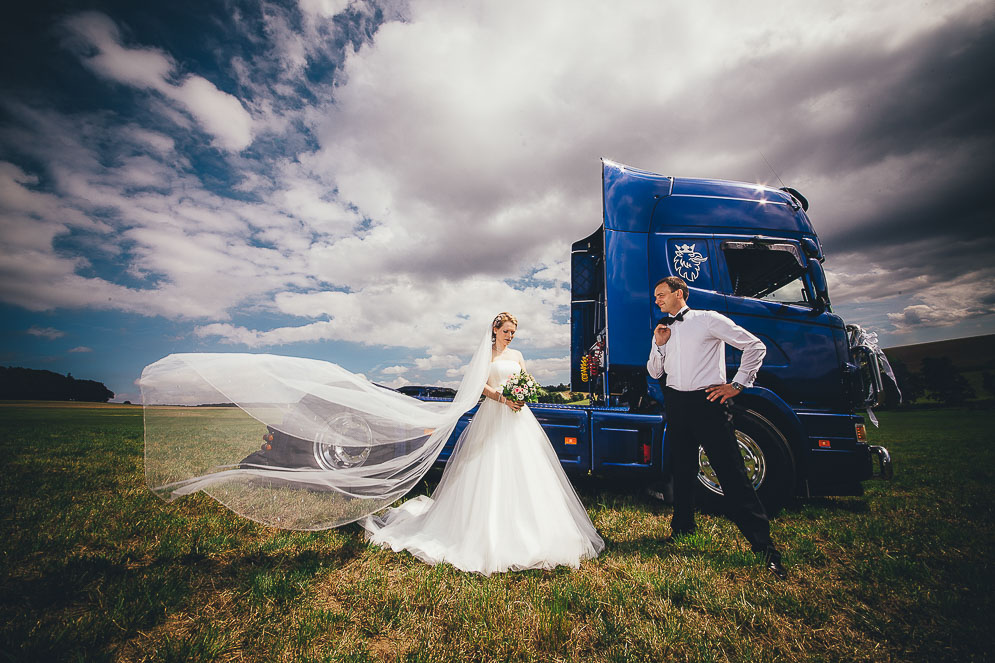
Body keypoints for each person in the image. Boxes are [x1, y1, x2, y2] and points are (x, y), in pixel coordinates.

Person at [361, 312, 605, 575]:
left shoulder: (517, 355)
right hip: (494, 414)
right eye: (506, 332)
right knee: (489, 465)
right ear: (495, 329)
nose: (510, 337)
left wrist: (523, 393)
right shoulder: (485, 355)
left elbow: (526, 378)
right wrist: (503, 398)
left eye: (513, 333)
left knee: (528, 468)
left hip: (519, 417)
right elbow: (479, 385)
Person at [646, 276, 786, 580]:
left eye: (661, 295)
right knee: (681, 471)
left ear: (679, 294)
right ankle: (682, 529)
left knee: (731, 473)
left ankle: (765, 548)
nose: (656, 300)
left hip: (707, 403)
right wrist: (659, 345)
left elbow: (754, 346)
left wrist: (737, 384)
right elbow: (654, 371)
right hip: (676, 404)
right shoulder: (663, 329)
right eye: (655, 296)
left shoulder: (708, 320)